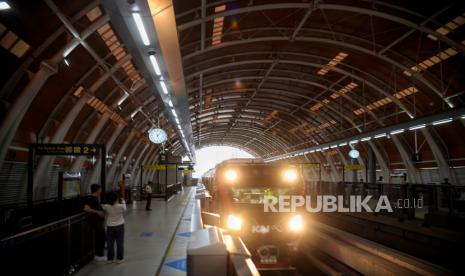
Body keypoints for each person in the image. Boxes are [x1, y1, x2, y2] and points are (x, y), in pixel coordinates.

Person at [83, 184, 106, 261]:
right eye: (100, 189)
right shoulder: (90, 198)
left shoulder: (96, 198)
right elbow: (86, 209)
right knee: (101, 237)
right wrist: (98, 212)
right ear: (97, 190)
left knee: (101, 237)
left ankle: (99, 252)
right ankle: (99, 254)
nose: (101, 191)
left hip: (99, 221)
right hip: (95, 222)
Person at [102, 192, 126, 264]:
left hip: (110, 226)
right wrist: (123, 201)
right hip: (120, 225)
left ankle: (110, 259)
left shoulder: (106, 206)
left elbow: (102, 207)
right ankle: (119, 259)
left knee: (110, 243)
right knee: (119, 243)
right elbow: (125, 209)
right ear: (116, 198)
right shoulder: (121, 206)